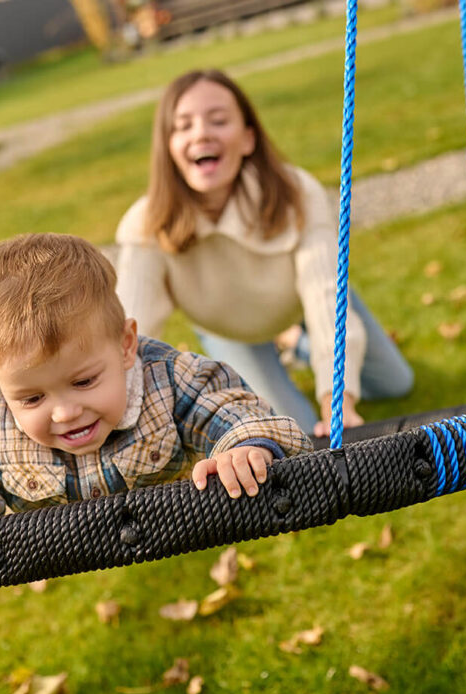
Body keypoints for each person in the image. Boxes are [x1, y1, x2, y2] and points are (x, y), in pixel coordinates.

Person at [0, 233, 311, 559]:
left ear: (126, 345)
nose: (64, 413)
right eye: (32, 399)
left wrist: (242, 446)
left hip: (172, 524)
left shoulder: (166, 380)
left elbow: (228, 406)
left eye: (83, 382)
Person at [115, 69, 414, 437]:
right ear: (168, 145)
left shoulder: (296, 193)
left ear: (248, 139)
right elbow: (131, 334)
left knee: (395, 383)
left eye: (218, 120)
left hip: (300, 304)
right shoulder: (145, 223)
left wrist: (337, 404)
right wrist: (120, 421)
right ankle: (286, 345)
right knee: (295, 430)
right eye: (183, 125)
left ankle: (294, 341)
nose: (201, 134)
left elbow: (325, 300)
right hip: (230, 331)